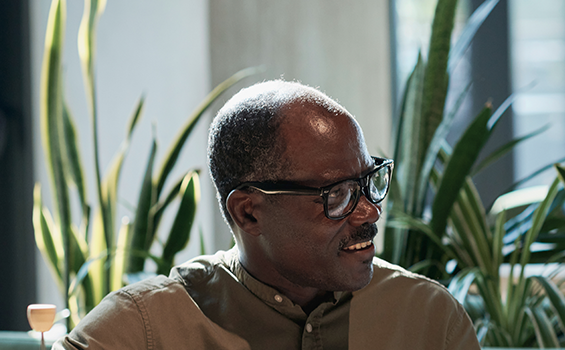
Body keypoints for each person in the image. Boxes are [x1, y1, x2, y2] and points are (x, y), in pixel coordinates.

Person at [56, 80, 481, 349]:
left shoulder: (428, 319)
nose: (370, 210)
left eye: (370, 181)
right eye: (337, 195)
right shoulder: (146, 328)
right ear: (249, 212)